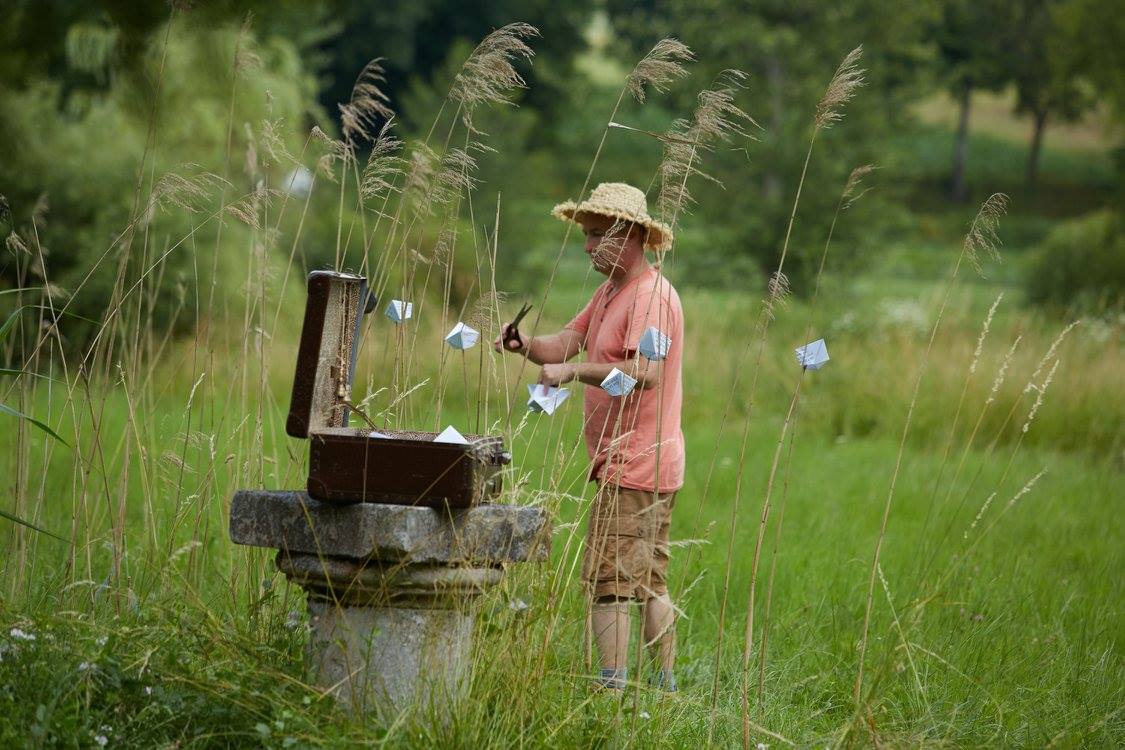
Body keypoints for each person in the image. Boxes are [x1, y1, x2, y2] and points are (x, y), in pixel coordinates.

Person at [494, 182, 685, 692]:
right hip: (631, 462)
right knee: (645, 580)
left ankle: (612, 688)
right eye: (586, 234)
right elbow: (564, 343)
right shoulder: (610, 293)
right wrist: (526, 345)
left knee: (613, 582)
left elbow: (644, 374)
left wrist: (575, 373)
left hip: (637, 462)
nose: (586, 247)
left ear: (632, 236)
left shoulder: (652, 299)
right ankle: (663, 689)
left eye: (597, 235)